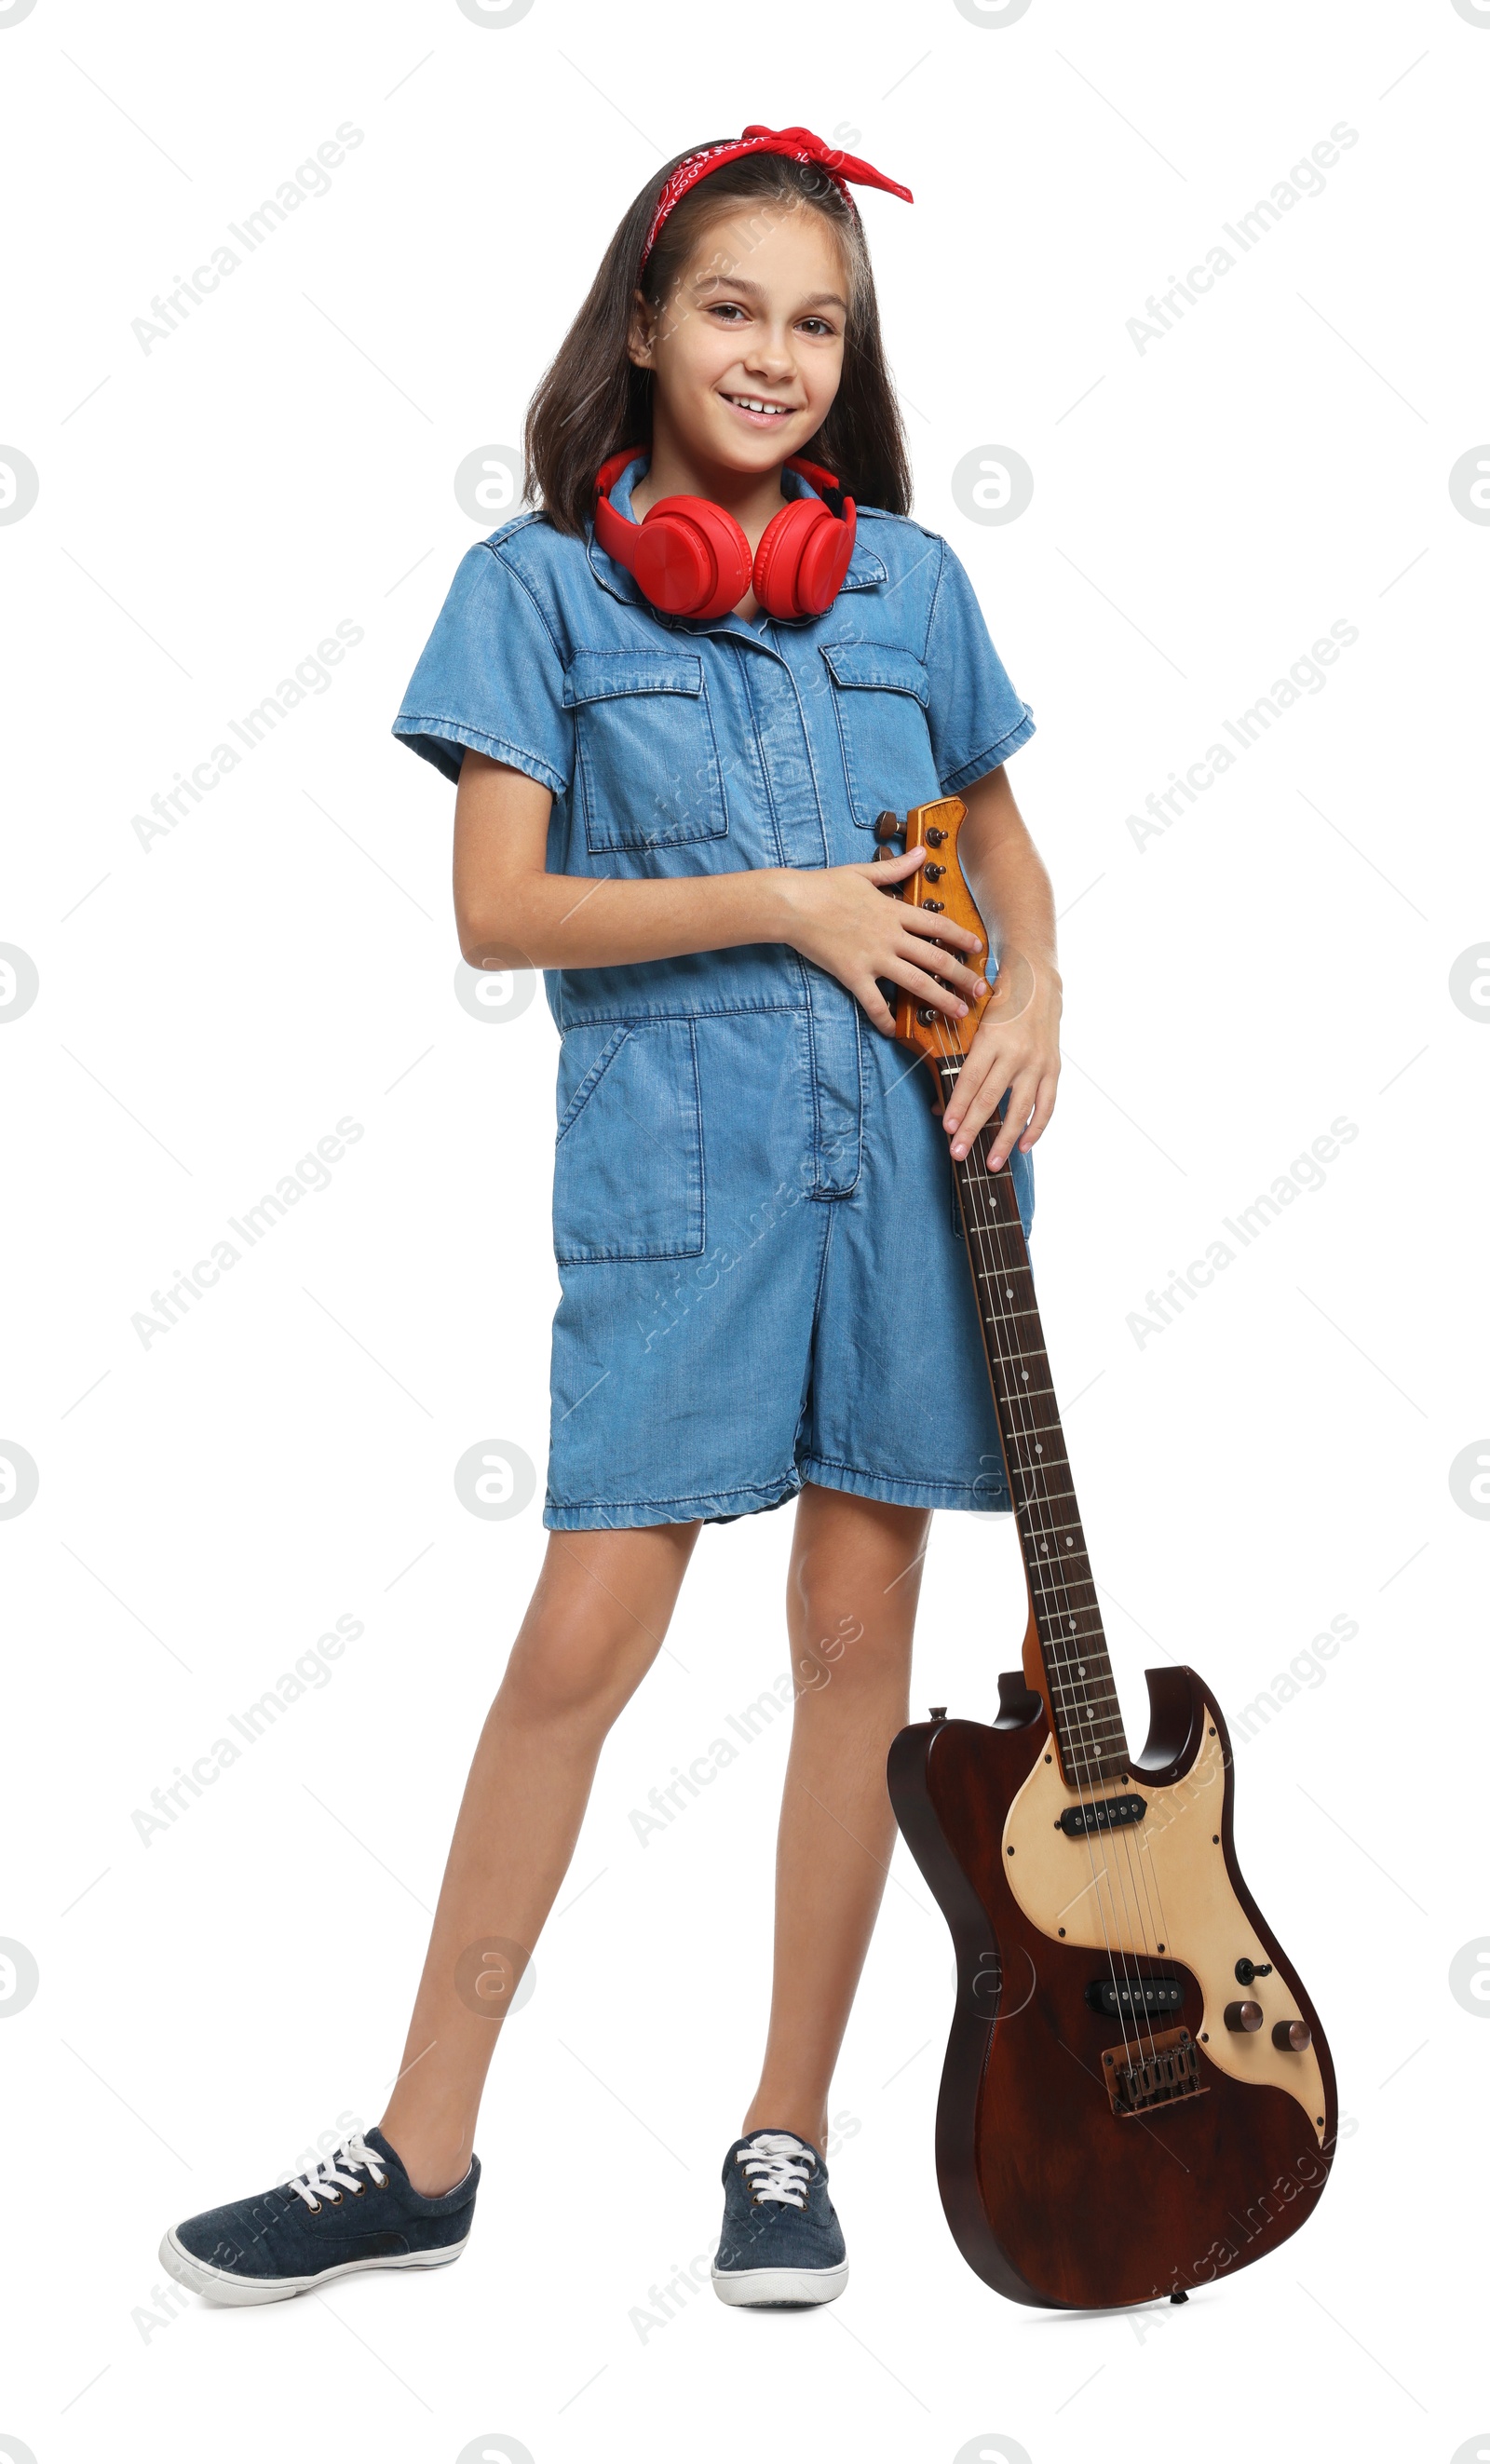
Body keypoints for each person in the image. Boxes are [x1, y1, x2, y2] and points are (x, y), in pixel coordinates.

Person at [159, 122, 1062, 2313]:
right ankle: (420, 2149)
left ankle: (785, 2136)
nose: (774, 357)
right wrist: (789, 908)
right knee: (577, 1650)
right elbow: (495, 907)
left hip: (920, 1176)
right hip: (682, 1187)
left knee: (859, 1656)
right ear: (644, 325)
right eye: (732, 310)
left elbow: (994, 837)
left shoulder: (911, 583)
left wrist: (1035, 987)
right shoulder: (534, 591)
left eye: (817, 324)